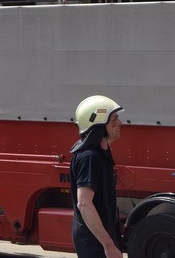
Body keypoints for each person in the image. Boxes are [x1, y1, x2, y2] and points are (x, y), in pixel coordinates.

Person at [69, 95, 124, 258]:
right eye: (114, 119)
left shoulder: (100, 155)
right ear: (98, 124)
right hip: (95, 244)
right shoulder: (89, 157)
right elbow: (84, 203)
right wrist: (108, 246)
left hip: (102, 239)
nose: (120, 123)